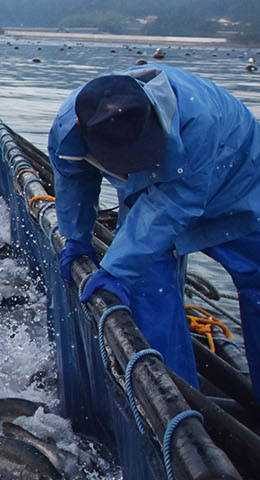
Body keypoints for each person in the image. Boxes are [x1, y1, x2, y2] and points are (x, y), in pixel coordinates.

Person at [50, 65, 260, 394]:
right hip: (151, 189)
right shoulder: (68, 123)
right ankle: (176, 398)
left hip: (238, 179)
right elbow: (72, 177)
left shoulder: (199, 121)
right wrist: (76, 238)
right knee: (149, 287)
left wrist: (116, 270)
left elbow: (174, 204)